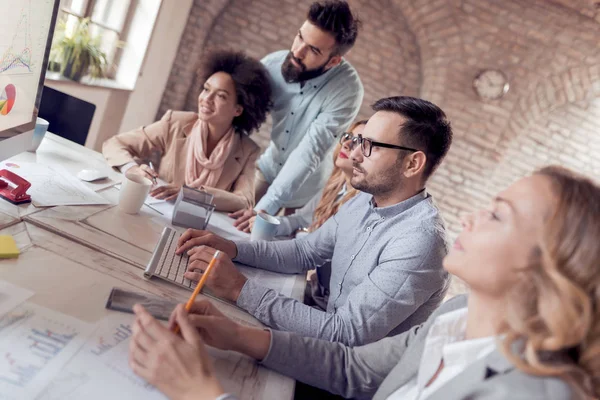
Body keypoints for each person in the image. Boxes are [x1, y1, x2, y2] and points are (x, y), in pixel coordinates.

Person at [129, 165, 600, 400]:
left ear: (552, 266)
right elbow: (354, 368)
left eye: (498, 214)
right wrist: (240, 336)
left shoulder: (530, 393)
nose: (474, 217)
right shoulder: (459, 317)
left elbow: (345, 337)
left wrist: (201, 392)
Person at [174, 96, 454, 346]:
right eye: (358, 141)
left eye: (370, 146)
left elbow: (345, 333)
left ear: (412, 164)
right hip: (321, 343)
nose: (354, 153)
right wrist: (232, 248)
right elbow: (305, 251)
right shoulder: (363, 201)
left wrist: (238, 288)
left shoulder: (420, 241)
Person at [230, 0, 364, 226]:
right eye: (300, 37)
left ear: (333, 61)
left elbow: (309, 151)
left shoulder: (348, 90)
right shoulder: (271, 65)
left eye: (313, 49)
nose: (297, 51)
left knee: (282, 251)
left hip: (307, 188)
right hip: (269, 167)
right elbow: (237, 118)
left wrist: (264, 210)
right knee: (233, 224)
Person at [102, 51, 272, 212]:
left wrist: (193, 195)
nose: (206, 99)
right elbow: (115, 144)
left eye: (220, 96)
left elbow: (244, 201)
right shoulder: (175, 123)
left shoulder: (248, 150)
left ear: (238, 110)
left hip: (200, 229)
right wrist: (132, 169)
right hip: (155, 214)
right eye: (206, 89)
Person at [247, 119, 365, 310]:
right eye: (349, 136)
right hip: (312, 283)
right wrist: (271, 223)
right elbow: (302, 218)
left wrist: (303, 233)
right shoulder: (336, 182)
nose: (347, 144)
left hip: (326, 301)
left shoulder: (361, 202)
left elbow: (323, 253)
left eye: (359, 142)